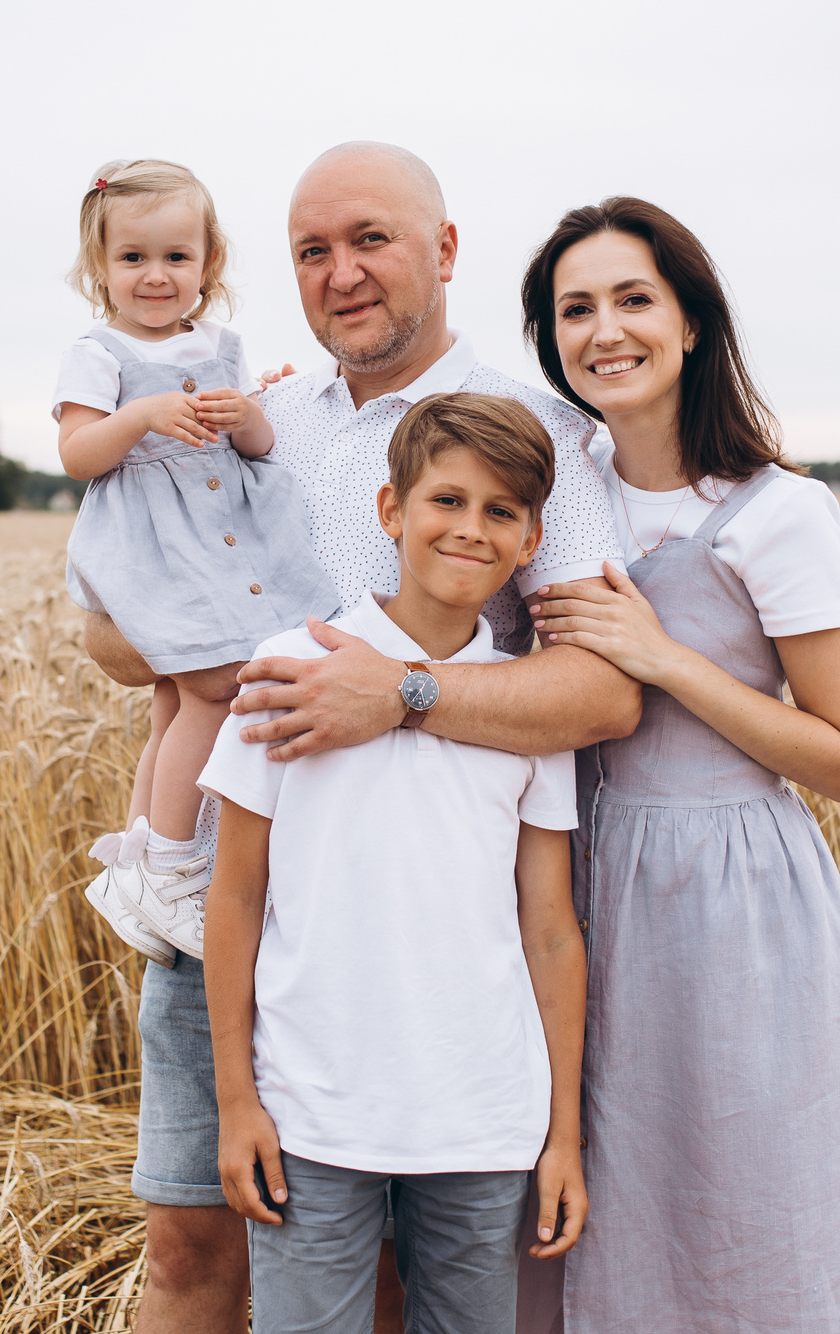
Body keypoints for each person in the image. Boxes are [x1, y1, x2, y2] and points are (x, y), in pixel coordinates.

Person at [79, 142, 640, 1334]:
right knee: (187, 1241)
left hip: (406, 937)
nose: (341, 274)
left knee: (377, 1275)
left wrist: (404, 695)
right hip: (232, 891)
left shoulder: (534, 436)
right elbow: (113, 626)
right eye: (311, 251)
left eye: (371, 240)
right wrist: (171, 645)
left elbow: (600, 696)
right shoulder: (253, 418)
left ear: (442, 251)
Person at [520, 198, 840, 1332]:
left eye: (634, 299)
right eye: (574, 309)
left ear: (691, 324)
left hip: (728, 898)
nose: (604, 331)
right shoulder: (544, 494)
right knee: (567, 1205)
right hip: (566, 885)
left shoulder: (778, 512)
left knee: (738, 1200)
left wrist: (662, 662)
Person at [203, 393, 589, 1334]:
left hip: (483, 1114)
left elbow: (548, 924)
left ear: (532, 535)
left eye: (501, 511)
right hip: (310, 1112)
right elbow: (237, 894)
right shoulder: (291, 667)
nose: (470, 528)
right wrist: (236, 1099)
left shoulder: (529, 705)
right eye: (446, 501)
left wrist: (563, 1134)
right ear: (391, 512)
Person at [57, 158, 343, 966]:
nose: (156, 276)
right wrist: (142, 413)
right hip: (155, 540)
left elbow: (256, 443)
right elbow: (78, 453)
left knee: (179, 698)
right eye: (133, 258)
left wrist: (246, 411)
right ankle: (178, 860)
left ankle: (142, 863)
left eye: (177, 257)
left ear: (208, 264)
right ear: (100, 268)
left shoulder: (221, 343)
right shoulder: (98, 350)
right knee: (215, 687)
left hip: (222, 531)